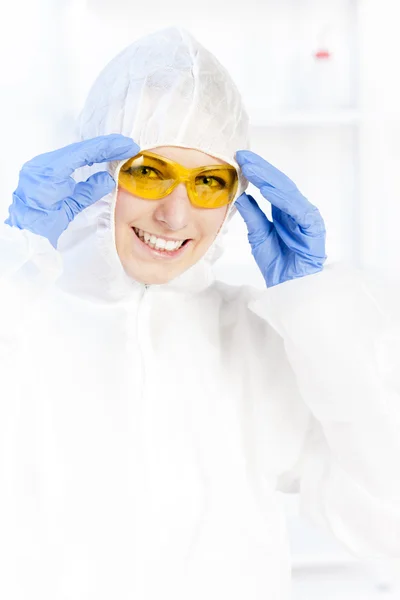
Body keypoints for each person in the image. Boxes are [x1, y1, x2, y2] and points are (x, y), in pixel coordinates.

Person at [1, 26, 400, 600]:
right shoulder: (21, 321)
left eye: (208, 181)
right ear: (91, 172)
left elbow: (385, 520)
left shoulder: (252, 340)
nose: (174, 215)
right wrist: (11, 272)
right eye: (147, 172)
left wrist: (319, 315)